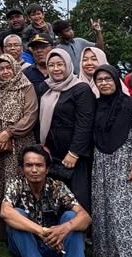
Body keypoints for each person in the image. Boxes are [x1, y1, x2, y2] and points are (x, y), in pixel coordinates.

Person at [0, 145, 89, 257]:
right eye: (29, 165)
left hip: (54, 246)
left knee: (72, 218)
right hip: (25, 248)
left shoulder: (57, 186)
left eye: (39, 165)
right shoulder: (16, 184)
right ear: (22, 169)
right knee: (17, 214)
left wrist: (65, 228)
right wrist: (40, 231)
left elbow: (85, 217)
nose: (34, 170)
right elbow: (5, 212)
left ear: (47, 169)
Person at [90, 64, 132, 257]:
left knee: (124, 213)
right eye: (100, 80)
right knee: (103, 210)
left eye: (108, 79)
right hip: (101, 162)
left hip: (125, 162)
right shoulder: (96, 105)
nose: (104, 83)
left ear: (116, 80)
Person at [0, 53, 39, 240]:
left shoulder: (25, 87)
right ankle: (0, 232)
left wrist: (10, 132)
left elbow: (30, 115)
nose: (5, 72)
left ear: (15, 68)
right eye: (1, 69)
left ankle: (20, 229)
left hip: (19, 143)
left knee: (16, 182)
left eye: (9, 68)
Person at [37, 49, 95, 215]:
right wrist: (42, 147)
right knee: (53, 199)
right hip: (51, 152)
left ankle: (79, 229)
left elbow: (85, 124)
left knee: (77, 199)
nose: (56, 69)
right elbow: (39, 119)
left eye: (60, 64)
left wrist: (74, 152)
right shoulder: (45, 87)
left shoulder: (81, 89)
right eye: (51, 65)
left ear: (68, 65)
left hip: (73, 156)